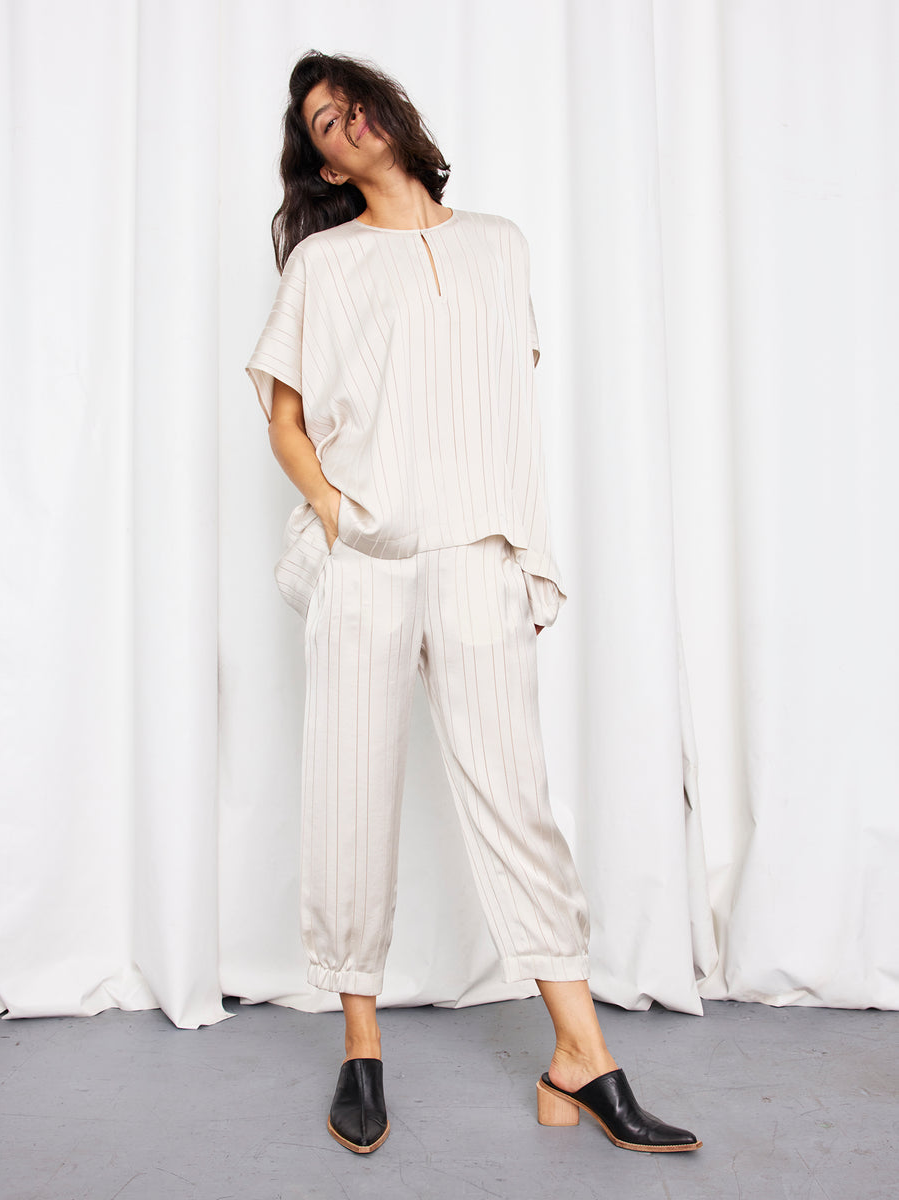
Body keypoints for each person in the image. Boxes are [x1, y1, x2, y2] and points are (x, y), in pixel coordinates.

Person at [245, 49, 701, 1157]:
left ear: (391, 115)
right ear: (321, 161)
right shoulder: (325, 264)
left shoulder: (498, 246)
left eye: (351, 104)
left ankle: (581, 1059)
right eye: (320, 124)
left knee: (516, 799)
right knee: (349, 793)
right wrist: (343, 516)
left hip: (478, 552)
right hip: (369, 556)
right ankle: (361, 1048)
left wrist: (524, 553)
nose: (342, 125)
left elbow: (506, 415)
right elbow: (286, 418)